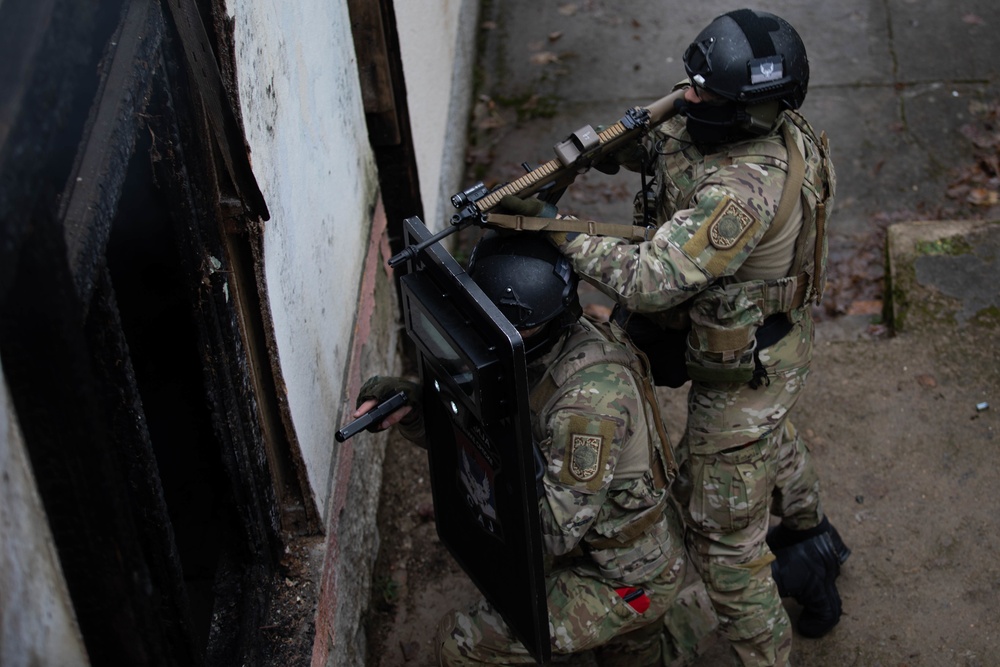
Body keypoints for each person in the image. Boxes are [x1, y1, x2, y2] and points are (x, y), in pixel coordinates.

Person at [497, 8, 849, 667]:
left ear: (749, 111)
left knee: (721, 540)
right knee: (766, 440)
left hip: (746, 366)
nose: (686, 98)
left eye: (703, 93)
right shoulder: (728, 124)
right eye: (689, 82)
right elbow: (661, 143)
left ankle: (786, 603)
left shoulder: (745, 188)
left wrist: (554, 229)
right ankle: (814, 531)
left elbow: (651, 279)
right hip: (736, 335)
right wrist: (586, 157)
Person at [350, 232, 715, 666]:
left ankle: (720, 603)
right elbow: (482, 438)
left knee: (463, 645)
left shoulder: (589, 405)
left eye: (505, 325)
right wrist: (417, 407)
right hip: (595, 542)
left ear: (541, 322)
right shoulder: (530, 355)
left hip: (622, 574)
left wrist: (479, 469)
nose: (487, 332)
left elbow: (550, 532)